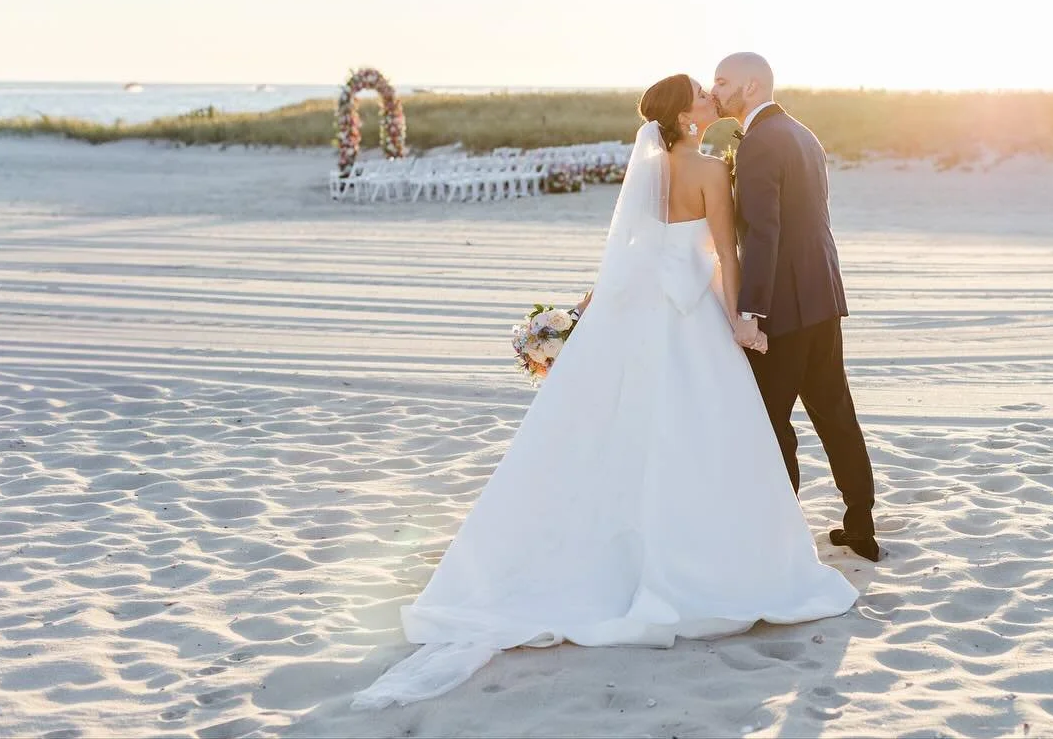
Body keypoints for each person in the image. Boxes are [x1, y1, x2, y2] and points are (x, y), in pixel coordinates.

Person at [352, 74, 857, 710]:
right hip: (692, 315)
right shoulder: (706, 171)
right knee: (703, 433)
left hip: (641, 312)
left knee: (624, 425)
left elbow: (630, 254)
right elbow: (728, 256)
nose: (710, 96)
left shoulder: (648, 171)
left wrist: (593, 308)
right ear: (686, 113)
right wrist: (738, 319)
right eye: (701, 92)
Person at [713, 52, 880, 562]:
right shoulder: (803, 133)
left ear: (751, 85)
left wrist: (752, 311)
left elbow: (764, 233)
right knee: (835, 414)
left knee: (771, 422)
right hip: (823, 297)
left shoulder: (762, 141)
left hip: (782, 308)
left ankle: (780, 535)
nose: (714, 89)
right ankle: (860, 523)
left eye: (722, 81)